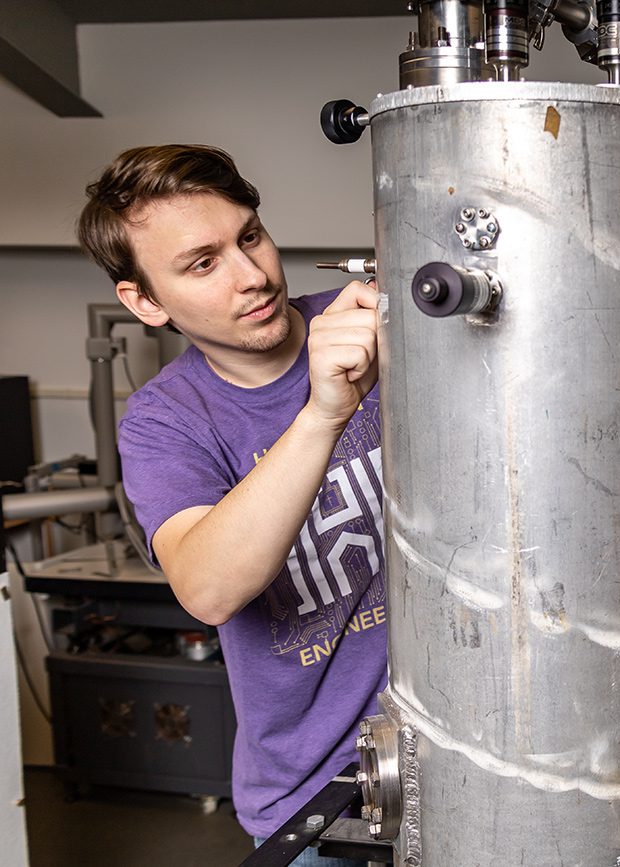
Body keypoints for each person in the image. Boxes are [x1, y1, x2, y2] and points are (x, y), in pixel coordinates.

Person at [77, 144, 387, 865]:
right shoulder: (165, 421)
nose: (254, 276)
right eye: (203, 263)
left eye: (250, 236)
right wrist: (322, 413)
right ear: (145, 302)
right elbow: (208, 587)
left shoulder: (370, 328)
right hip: (317, 798)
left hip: (468, 749)